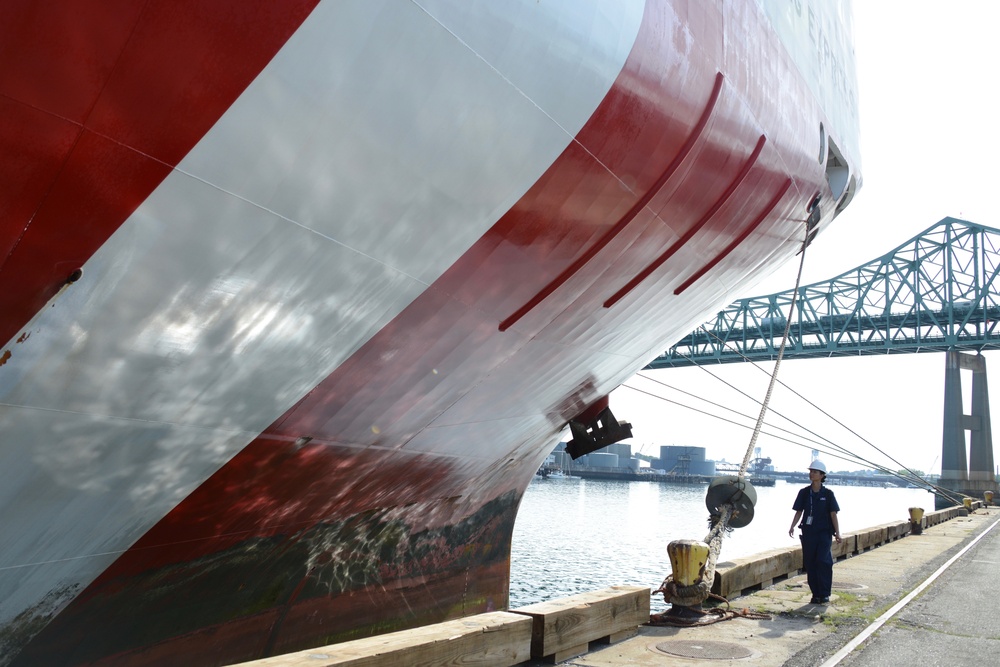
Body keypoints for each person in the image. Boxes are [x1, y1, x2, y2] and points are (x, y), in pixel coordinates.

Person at [788, 459, 841, 604]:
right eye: (811, 471)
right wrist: (792, 526)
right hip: (808, 532)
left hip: (824, 533)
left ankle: (824, 593)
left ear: (822, 475)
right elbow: (799, 511)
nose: (812, 474)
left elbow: (833, 514)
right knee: (810, 563)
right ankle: (815, 593)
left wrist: (837, 533)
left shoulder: (828, 494)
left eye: (815, 472)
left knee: (823, 561)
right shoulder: (804, 493)